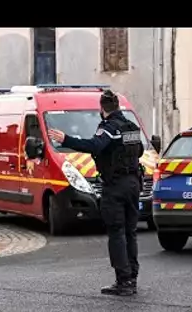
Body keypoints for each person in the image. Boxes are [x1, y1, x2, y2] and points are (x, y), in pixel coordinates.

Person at [46, 90, 144, 296]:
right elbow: (140, 150)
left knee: (116, 231)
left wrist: (66, 139)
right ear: (118, 106)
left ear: (102, 109)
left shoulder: (108, 127)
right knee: (130, 231)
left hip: (115, 185)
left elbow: (94, 146)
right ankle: (132, 277)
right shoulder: (131, 127)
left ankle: (123, 280)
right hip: (134, 183)